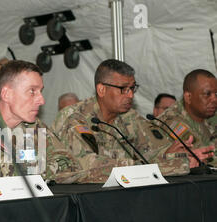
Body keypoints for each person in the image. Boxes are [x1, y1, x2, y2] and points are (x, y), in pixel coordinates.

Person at [52, 59, 211, 183]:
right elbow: (89, 167)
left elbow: (149, 153)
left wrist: (172, 154)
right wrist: (171, 166)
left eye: (132, 88)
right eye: (123, 89)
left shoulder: (130, 117)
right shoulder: (75, 118)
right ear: (101, 90)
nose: (130, 95)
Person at [157, 69, 216, 167]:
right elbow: (204, 156)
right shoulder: (171, 121)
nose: (214, 99)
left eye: (216, 94)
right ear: (188, 97)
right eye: (207, 94)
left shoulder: (211, 113)